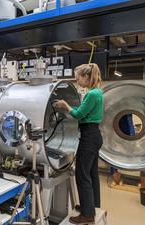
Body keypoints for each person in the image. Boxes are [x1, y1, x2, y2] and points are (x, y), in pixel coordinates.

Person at [54, 63, 104, 224]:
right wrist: (73, 108)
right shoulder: (98, 92)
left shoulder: (91, 94)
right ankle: (91, 206)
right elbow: (84, 112)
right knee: (92, 174)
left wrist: (65, 105)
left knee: (82, 175)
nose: (77, 82)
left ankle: (87, 215)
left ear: (86, 77)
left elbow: (78, 114)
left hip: (89, 137)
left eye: (78, 79)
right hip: (95, 135)